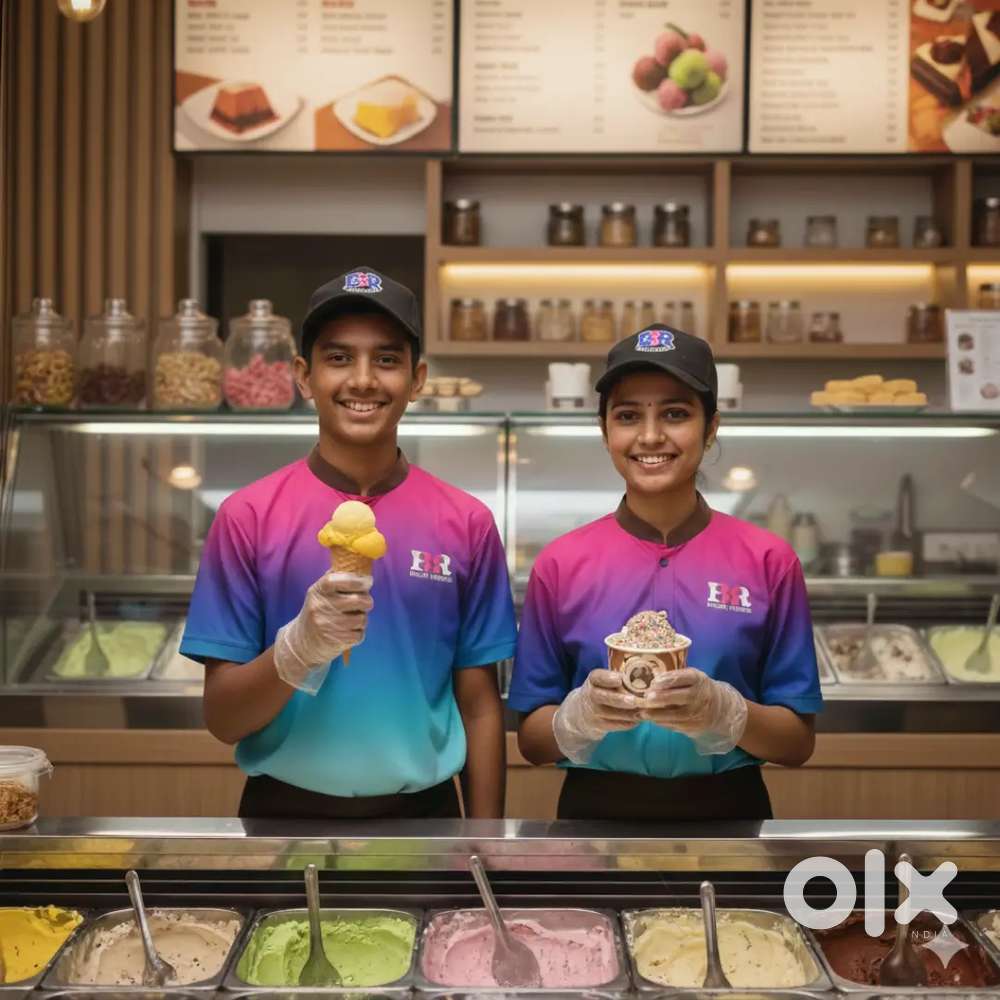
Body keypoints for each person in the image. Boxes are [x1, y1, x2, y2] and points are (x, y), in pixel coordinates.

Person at [181, 267, 516, 820]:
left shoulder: (468, 521)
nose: (363, 380)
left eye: (386, 360)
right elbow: (223, 719)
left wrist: (484, 847)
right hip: (282, 818)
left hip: (427, 820)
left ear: (418, 379)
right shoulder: (247, 516)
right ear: (303, 376)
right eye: (339, 358)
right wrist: (296, 650)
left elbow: (479, 706)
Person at [508, 325, 822, 821]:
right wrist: (580, 716)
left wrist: (726, 712)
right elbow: (531, 741)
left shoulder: (769, 560)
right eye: (628, 415)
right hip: (593, 816)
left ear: (711, 426)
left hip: (731, 815)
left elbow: (797, 742)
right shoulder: (562, 563)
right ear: (605, 430)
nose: (651, 436)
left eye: (675, 414)